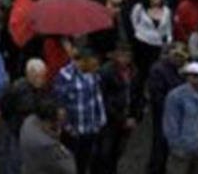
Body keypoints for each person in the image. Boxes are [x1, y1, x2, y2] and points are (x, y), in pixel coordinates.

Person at [52, 46, 106, 174]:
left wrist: (99, 122)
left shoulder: (93, 74)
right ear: (83, 62)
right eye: (93, 65)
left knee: (83, 163)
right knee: (69, 166)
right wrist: (69, 128)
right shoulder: (65, 77)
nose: (96, 68)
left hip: (90, 129)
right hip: (73, 132)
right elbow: (59, 105)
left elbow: (97, 98)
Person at [162, 62, 198, 174]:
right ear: (187, 77)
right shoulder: (175, 96)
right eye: (194, 76)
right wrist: (176, 145)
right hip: (183, 149)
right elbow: (170, 123)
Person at [0, 58, 49, 174]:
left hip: (36, 133)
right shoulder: (17, 89)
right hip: (17, 131)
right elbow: (5, 108)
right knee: (14, 163)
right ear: (29, 75)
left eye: (42, 76)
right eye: (37, 76)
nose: (41, 80)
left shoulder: (43, 88)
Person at [147, 42, 189, 174]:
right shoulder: (158, 69)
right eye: (176, 55)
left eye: (182, 56)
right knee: (159, 147)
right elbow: (157, 96)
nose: (179, 59)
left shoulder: (182, 72)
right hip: (163, 114)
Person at [97, 43, 138, 174]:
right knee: (105, 153)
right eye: (122, 55)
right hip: (111, 120)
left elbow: (136, 94)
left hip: (126, 118)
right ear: (115, 55)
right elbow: (104, 100)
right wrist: (121, 119)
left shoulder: (133, 71)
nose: (125, 59)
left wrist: (135, 115)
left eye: (128, 56)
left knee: (118, 151)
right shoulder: (106, 72)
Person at [19, 98, 76, 174]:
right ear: (49, 122)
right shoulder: (49, 145)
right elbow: (71, 169)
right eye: (59, 120)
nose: (62, 123)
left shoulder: (28, 122)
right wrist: (56, 138)